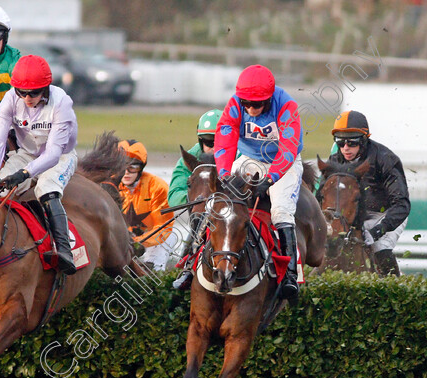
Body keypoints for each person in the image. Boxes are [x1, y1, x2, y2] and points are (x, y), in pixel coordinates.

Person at [214, 64, 304, 300]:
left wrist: (271, 178)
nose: (251, 109)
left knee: (281, 211)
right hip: (250, 158)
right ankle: (188, 262)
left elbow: (288, 147)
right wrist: (224, 174)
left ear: (269, 98)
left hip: (283, 162)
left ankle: (290, 276)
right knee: (221, 203)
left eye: (257, 104)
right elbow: (225, 138)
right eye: (247, 104)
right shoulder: (235, 104)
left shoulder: (286, 105)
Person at [0, 54, 78, 274]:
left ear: (45, 88)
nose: (27, 98)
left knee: (46, 188)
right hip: (27, 153)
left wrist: (25, 174)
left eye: (34, 93)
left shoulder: (61, 102)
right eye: (22, 92)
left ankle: (64, 249)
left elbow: (54, 153)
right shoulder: (9, 99)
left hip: (61, 156)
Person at [328, 110, 410, 276]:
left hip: (386, 213)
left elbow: (402, 205)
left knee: (379, 247)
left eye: (351, 142)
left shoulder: (385, 159)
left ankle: (394, 285)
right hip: (354, 214)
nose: (345, 148)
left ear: (364, 140)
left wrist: (379, 230)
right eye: (340, 142)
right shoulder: (335, 160)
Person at [168, 109, 221, 290]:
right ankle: (188, 269)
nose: (213, 147)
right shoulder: (189, 158)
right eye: (208, 142)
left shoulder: (239, 155)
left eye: (219, 142)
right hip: (205, 218)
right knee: (198, 218)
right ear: (200, 141)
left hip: (235, 211)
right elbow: (174, 194)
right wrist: (198, 199)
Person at [117, 140, 176, 271]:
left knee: (149, 269)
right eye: (122, 167)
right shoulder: (111, 186)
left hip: (154, 237)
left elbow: (164, 228)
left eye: (132, 167)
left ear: (141, 168)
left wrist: (139, 243)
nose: (126, 172)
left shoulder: (158, 187)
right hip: (124, 238)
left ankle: (154, 272)